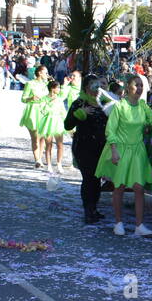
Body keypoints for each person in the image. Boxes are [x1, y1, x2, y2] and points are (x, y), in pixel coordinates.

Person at [95, 74, 152, 237]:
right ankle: (118, 223)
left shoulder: (142, 106)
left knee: (139, 188)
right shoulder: (120, 106)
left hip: (137, 151)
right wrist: (113, 150)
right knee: (119, 186)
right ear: (128, 87)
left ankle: (139, 225)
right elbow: (110, 130)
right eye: (136, 85)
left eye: (141, 85)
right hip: (121, 149)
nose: (139, 88)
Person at [65, 75, 106, 224]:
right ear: (86, 87)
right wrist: (81, 114)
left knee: (97, 179)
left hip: (101, 147)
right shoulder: (79, 103)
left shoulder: (103, 103)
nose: (97, 89)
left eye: (98, 86)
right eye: (93, 85)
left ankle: (94, 208)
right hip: (83, 146)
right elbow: (67, 125)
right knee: (88, 178)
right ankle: (88, 210)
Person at [20, 64, 50, 168]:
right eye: (45, 72)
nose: (47, 75)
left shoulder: (47, 85)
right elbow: (23, 98)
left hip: (44, 111)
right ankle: (37, 159)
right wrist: (31, 98)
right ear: (39, 73)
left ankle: (40, 158)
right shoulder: (30, 84)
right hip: (33, 111)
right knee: (35, 137)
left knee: (42, 137)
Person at [38, 80, 68, 174]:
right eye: (57, 87)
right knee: (49, 145)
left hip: (58, 122)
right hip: (48, 122)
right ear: (52, 88)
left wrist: (67, 124)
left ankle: (59, 164)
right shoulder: (44, 98)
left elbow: (63, 112)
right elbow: (43, 110)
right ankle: (49, 165)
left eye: (59, 87)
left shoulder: (59, 99)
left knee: (60, 145)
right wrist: (51, 102)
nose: (59, 89)